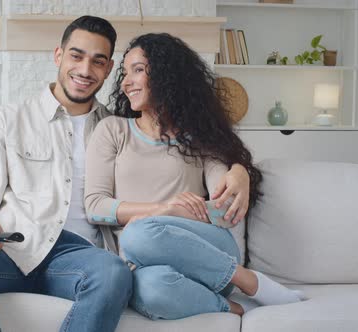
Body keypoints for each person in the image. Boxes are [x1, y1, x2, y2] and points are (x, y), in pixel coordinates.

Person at [0, 16, 251, 331]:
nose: (85, 70)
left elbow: (201, 145)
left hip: (83, 255)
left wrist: (241, 170)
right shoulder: (7, 120)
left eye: (98, 61)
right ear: (58, 56)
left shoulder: (116, 128)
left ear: (109, 68)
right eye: (76, 56)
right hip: (13, 246)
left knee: (114, 275)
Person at [84, 33, 304, 320]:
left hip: (209, 252)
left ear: (167, 75)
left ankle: (245, 280)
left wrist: (239, 173)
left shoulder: (199, 140)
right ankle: (233, 306)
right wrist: (164, 210)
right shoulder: (113, 130)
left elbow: (223, 213)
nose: (125, 82)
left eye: (137, 70)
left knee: (138, 232)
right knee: (150, 286)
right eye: (125, 73)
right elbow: (96, 206)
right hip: (144, 263)